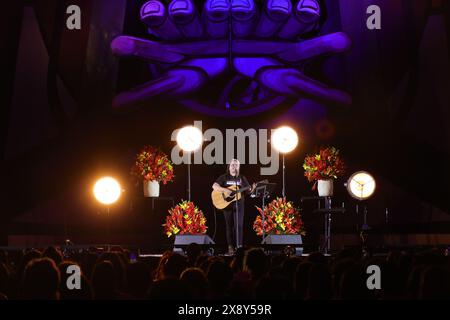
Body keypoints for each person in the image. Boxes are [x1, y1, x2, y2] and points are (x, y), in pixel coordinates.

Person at [212, 159, 255, 255]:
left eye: (236, 165)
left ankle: (239, 246)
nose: (234, 166)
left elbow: (248, 191)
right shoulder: (224, 177)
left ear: (238, 167)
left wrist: (252, 189)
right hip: (227, 204)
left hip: (239, 204)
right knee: (229, 226)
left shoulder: (241, 178)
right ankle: (230, 246)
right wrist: (225, 190)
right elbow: (214, 186)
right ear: (229, 166)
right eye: (232, 164)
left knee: (239, 226)